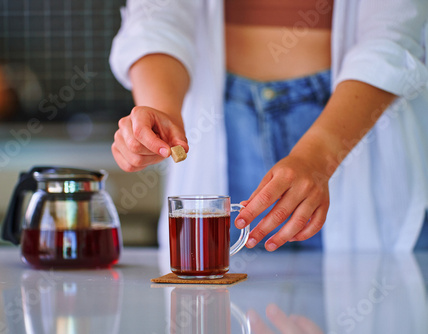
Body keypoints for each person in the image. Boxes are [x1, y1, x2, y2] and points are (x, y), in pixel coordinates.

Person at [109, 0, 428, 252]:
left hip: (350, 128)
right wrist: (161, 110)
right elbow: (156, 18)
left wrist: (319, 156)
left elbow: (392, 39)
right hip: (222, 124)